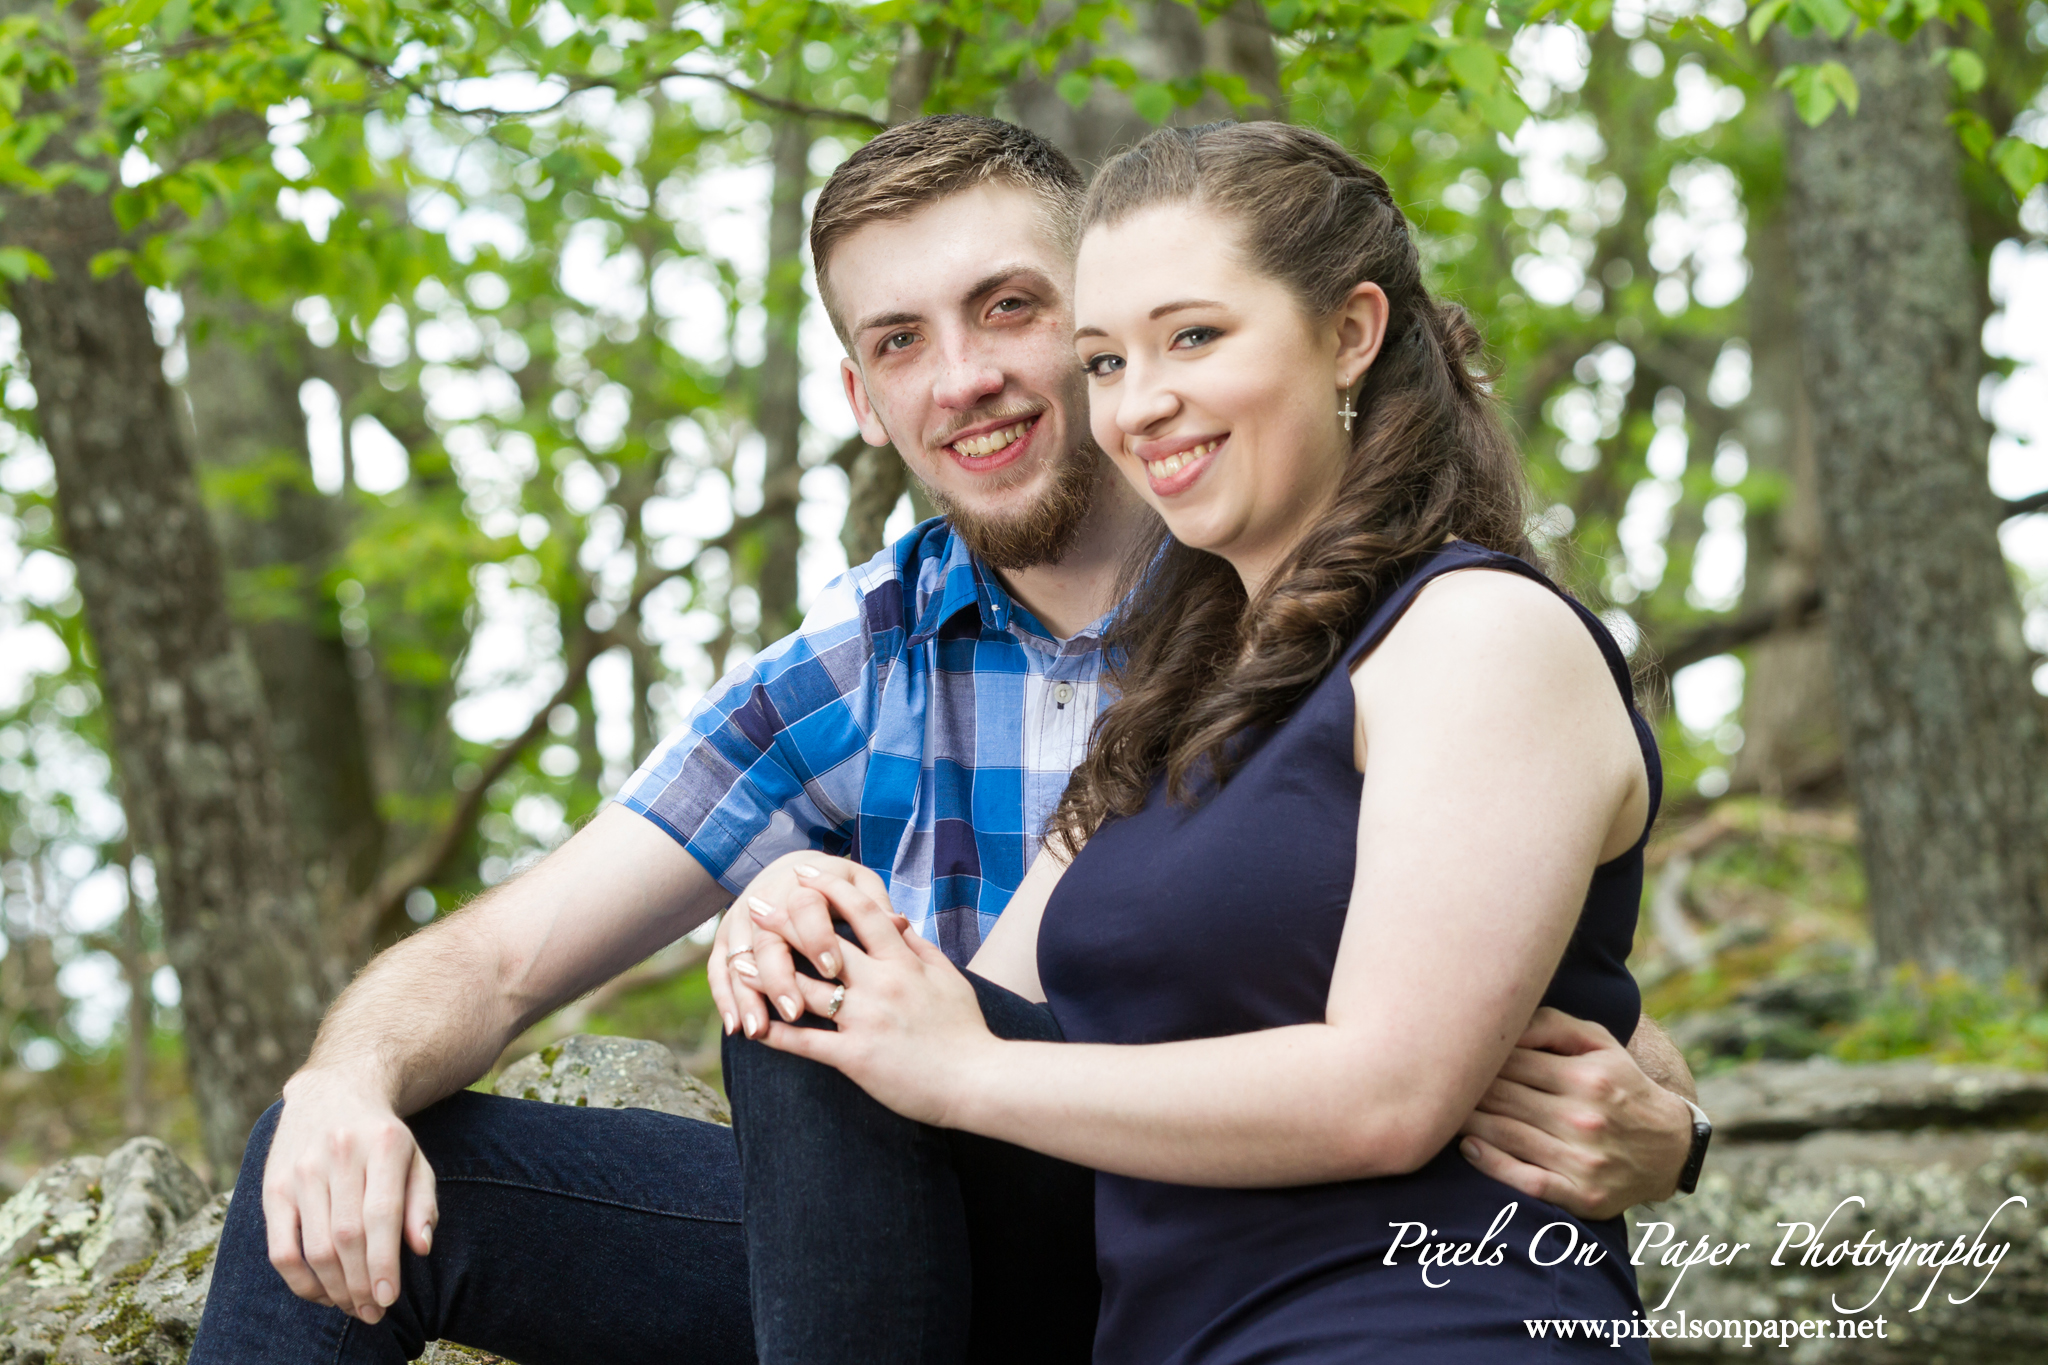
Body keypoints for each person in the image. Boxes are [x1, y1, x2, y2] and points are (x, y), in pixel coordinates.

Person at [188, 116, 1695, 1365]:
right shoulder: (900, 660)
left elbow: (1503, 978)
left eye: (1016, 312)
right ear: (860, 394)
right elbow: (517, 953)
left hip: (1271, 1250)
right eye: (902, 339)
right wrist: (339, 1083)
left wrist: (1674, 1118)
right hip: (994, 1231)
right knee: (344, 1161)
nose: (968, 375)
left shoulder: (1356, 600)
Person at [730, 120, 1666, 1363]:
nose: (1139, 404)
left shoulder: (1476, 634)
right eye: (1105, 362)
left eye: (1194, 337)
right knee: (817, 996)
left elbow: (1389, 1095)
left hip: (1406, 1327)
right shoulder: (1173, 700)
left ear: (1349, 331)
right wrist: (795, 910)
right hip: (1155, 1327)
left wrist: (962, 1074)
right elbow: (977, 1006)